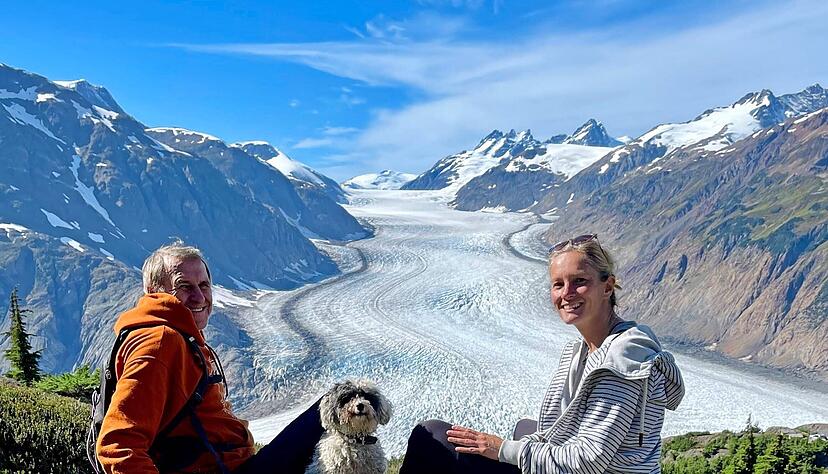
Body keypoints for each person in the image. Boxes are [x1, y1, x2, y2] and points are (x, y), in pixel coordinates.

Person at [399, 234, 685, 473]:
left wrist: (501, 449)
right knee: (526, 428)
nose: (567, 292)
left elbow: (590, 460)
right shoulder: (583, 349)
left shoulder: (621, 358)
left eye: (579, 281)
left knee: (432, 435)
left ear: (607, 286)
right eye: (558, 284)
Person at [96, 243, 323, 473]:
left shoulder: (180, 335)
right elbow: (118, 445)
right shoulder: (160, 343)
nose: (199, 297)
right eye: (184, 286)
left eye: (204, 285)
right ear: (153, 290)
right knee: (339, 405)